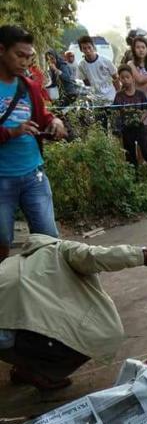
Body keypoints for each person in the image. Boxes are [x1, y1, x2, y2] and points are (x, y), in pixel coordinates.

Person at [0, 235, 147, 390]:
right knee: (95, 336)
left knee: (21, 330)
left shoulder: (12, 262)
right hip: (18, 333)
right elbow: (99, 255)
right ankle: (37, 372)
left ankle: (24, 366)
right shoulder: (60, 249)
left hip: (8, 330)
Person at [0, 25, 66, 263]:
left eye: (28, 57)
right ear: (1, 50)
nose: (25, 62)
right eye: (19, 55)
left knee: (48, 240)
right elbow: (17, 128)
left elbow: (42, 116)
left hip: (33, 175)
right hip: (2, 179)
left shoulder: (29, 86)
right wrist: (12, 132)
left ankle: (47, 291)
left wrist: (55, 122)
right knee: (2, 241)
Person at [113, 66, 147, 177]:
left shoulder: (140, 94)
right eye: (122, 78)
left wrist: (139, 119)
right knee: (130, 154)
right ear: (120, 79)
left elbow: (146, 110)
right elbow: (115, 112)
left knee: (146, 151)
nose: (125, 80)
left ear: (133, 78)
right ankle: (134, 177)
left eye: (127, 77)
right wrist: (118, 128)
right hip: (126, 129)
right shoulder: (119, 96)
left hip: (139, 127)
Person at [77, 35, 119, 104]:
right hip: (97, 101)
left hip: (111, 97)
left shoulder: (106, 60)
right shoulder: (81, 65)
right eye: (84, 48)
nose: (87, 50)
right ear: (81, 50)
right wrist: (90, 95)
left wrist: (119, 94)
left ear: (93, 47)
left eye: (89, 47)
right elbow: (86, 83)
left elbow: (116, 78)